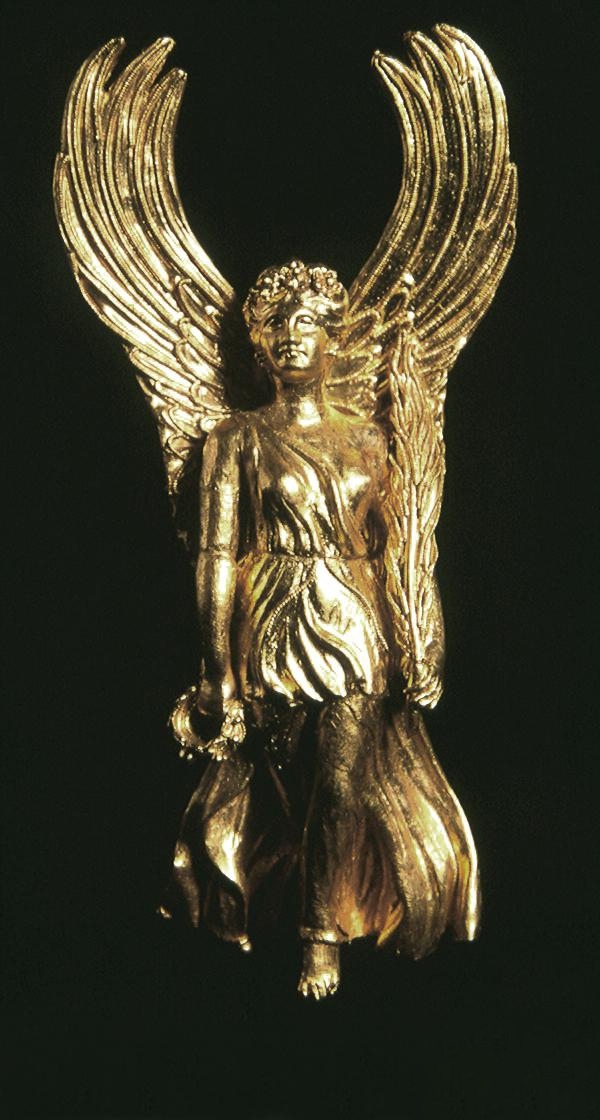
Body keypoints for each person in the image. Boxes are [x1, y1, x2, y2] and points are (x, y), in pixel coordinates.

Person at [169, 261, 479, 999]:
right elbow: (216, 556)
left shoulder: (370, 441)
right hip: (273, 620)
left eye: (306, 322)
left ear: (335, 340)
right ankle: (281, 899)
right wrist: (217, 669)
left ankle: (321, 936)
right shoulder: (235, 439)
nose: (290, 336)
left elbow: (407, 544)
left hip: (357, 621)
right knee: (288, 788)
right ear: (257, 347)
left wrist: (423, 635)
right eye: (275, 324)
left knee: (342, 781)